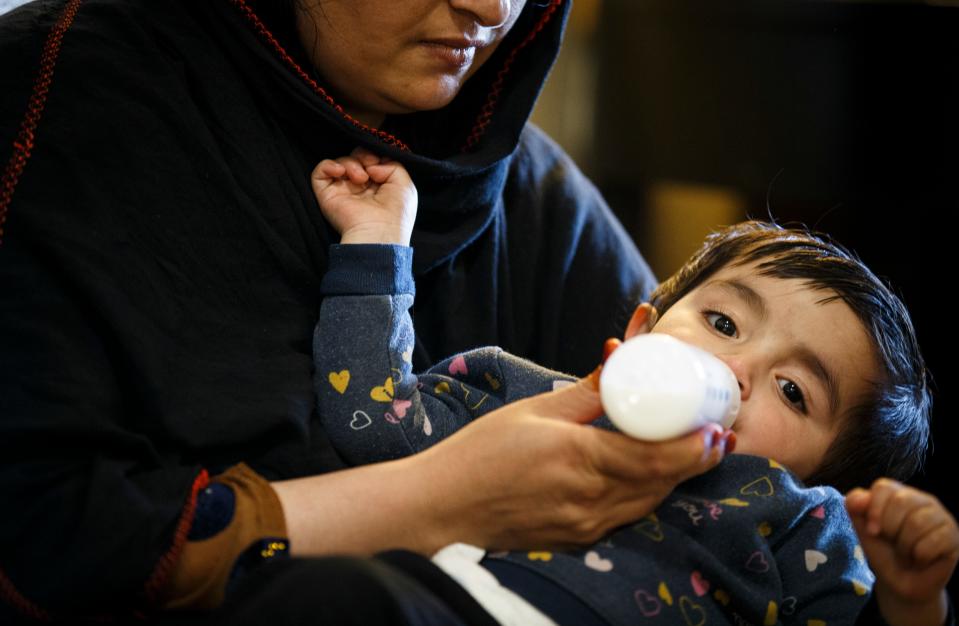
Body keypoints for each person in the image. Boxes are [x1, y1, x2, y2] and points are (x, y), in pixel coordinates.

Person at [0, 0, 731, 623]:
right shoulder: (51, 107)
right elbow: (40, 538)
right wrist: (438, 499)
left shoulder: (522, 188)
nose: (492, 11)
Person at [309, 150, 959, 626]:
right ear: (640, 328)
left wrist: (911, 602)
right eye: (724, 322)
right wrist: (376, 243)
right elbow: (373, 421)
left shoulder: (800, 527)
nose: (738, 370)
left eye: (793, 391)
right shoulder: (522, 400)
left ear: (822, 477)